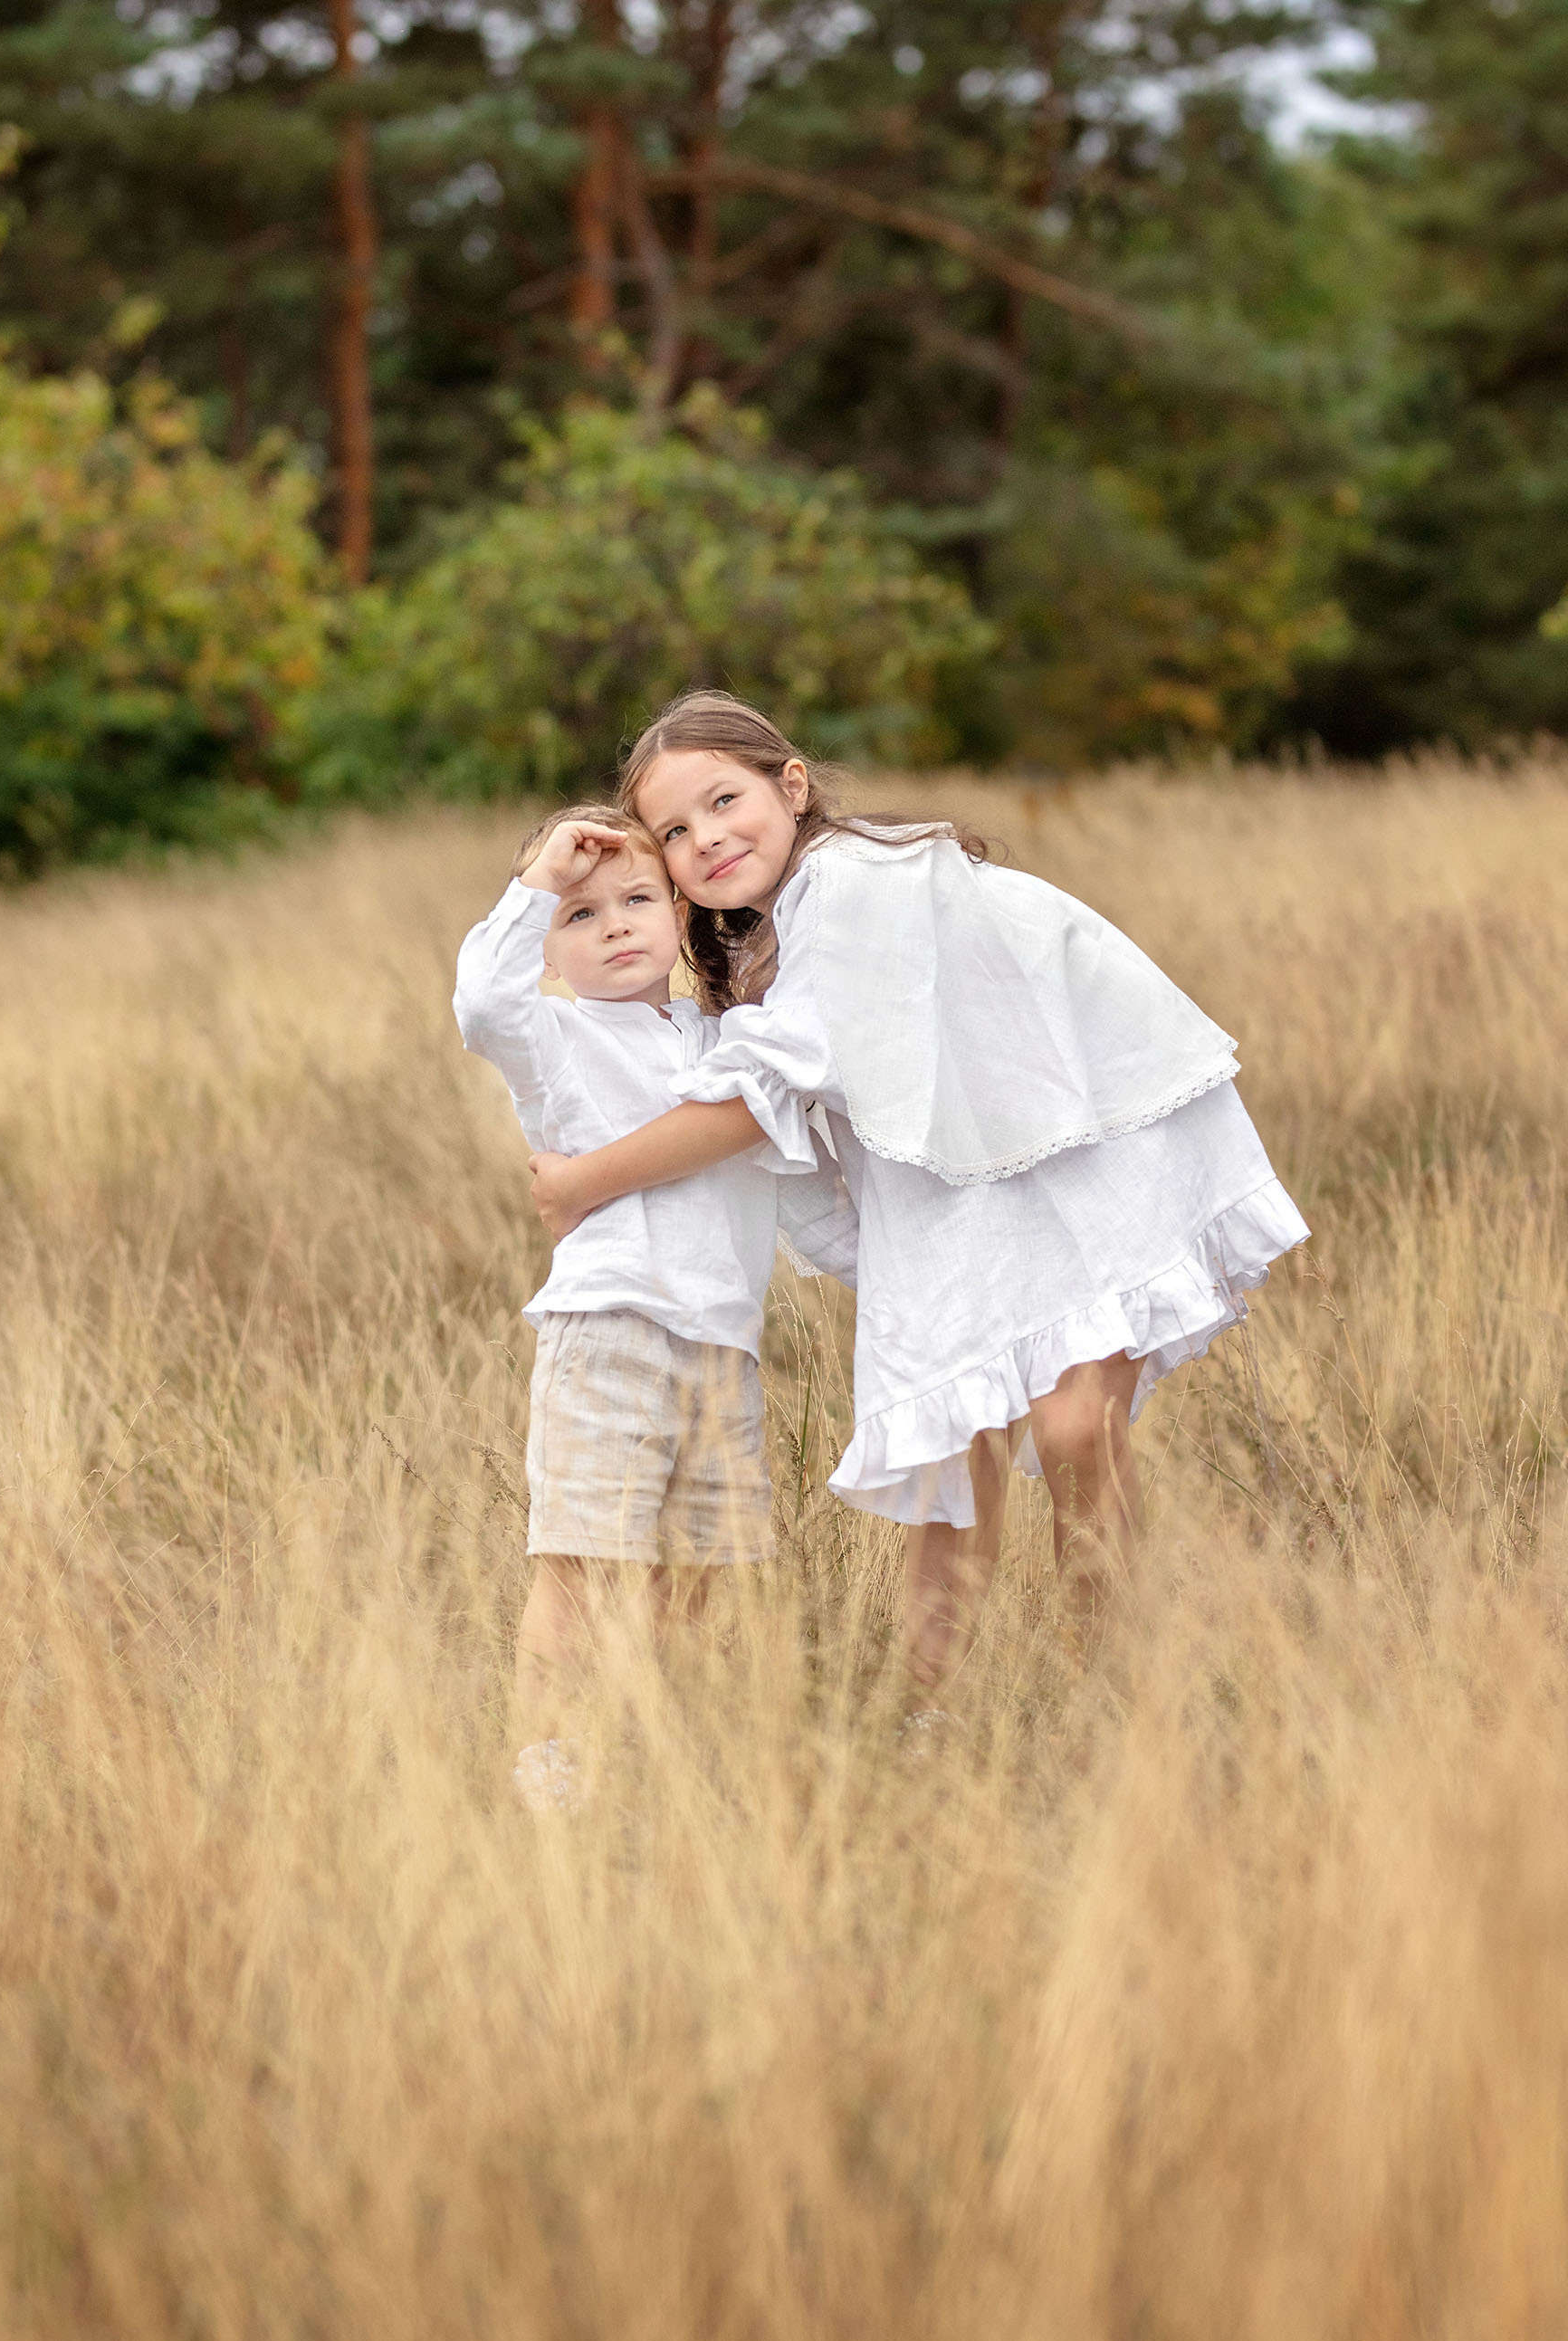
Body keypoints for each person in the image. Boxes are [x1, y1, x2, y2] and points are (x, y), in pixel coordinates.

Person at [525, 693, 1308, 1695]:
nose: (706, 838)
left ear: (791, 786)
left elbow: (756, 1098)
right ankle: (922, 1714)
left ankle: (1118, 1693)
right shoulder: (772, 943)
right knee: (955, 1453)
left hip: (1080, 1145)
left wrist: (579, 1183)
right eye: (674, 833)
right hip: (959, 1185)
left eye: (725, 800)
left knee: (1073, 1426)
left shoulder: (854, 882)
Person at [454, 801, 856, 1808]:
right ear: (549, 949)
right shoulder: (551, 1035)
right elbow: (481, 1007)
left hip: (725, 1348)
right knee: (584, 1559)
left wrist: (887, 1278)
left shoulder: (727, 1040)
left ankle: (645, 1742)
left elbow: (799, 1184)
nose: (615, 925)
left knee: (709, 1568)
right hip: (611, 1330)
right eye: (581, 917)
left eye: (636, 900)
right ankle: (548, 1766)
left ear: (681, 916)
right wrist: (538, 879)